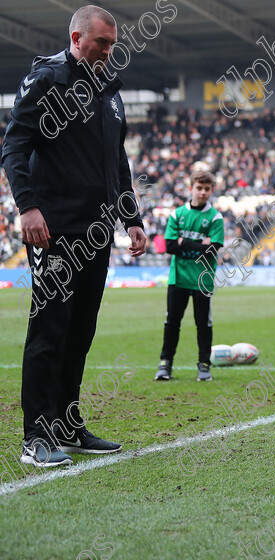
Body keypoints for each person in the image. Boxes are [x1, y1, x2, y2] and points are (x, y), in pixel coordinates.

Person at [1, 5, 146, 467]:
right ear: (77, 37)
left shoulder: (108, 89)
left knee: (81, 330)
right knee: (50, 330)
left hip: (98, 229)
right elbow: (14, 146)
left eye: (112, 44)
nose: (108, 51)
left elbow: (116, 162)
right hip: (55, 229)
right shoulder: (48, 79)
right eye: (102, 42)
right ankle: (36, 437)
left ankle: (67, 424)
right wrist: (28, 206)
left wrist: (132, 218)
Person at [155, 168, 225, 382]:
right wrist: (198, 245)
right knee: (172, 322)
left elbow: (213, 249)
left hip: (202, 279)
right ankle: (165, 364)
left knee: (203, 323)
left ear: (212, 190)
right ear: (191, 188)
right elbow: (168, 246)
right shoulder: (178, 214)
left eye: (207, 189)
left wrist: (183, 244)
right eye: (199, 188)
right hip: (178, 278)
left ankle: (204, 365)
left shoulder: (215, 217)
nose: (203, 192)